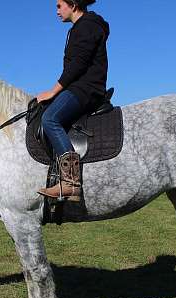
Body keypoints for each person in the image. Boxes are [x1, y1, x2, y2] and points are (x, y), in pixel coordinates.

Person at [36, 0, 110, 201]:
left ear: (73, 5)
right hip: (80, 87)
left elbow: (77, 65)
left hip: (86, 88)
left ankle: (70, 182)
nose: (57, 10)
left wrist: (53, 92)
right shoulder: (80, 27)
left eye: (59, 5)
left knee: (50, 118)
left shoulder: (86, 26)